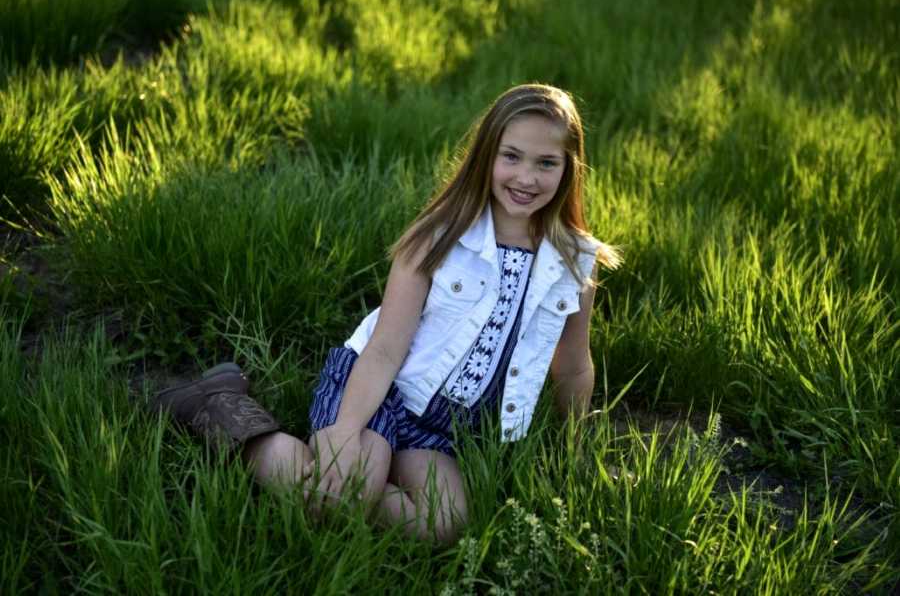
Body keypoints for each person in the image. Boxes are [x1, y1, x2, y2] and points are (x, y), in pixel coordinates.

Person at [154, 83, 621, 544]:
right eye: (511, 156)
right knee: (343, 496)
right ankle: (223, 414)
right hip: (380, 389)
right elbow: (384, 348)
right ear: (485, 156)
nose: (526, 177)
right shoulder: (439, 236)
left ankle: (324, 474)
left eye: (546, 163)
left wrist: (571, 453)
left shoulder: (573, 261)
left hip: (443, 428)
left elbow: (574, 365)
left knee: (444, 525)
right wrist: (345, 431)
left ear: (569, 169)